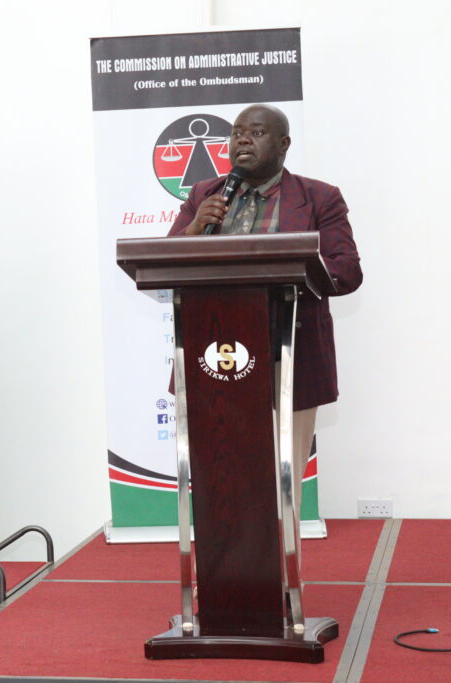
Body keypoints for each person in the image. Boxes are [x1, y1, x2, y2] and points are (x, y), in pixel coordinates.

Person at [167, 103, 363, 513]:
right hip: (212, 354)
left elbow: (346, 271)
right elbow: (163, 262)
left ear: (283, 143)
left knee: (281, 480)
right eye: (237, 133)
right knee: (219, 474)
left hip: (288, 350)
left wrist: (296, 265)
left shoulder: (318, 198)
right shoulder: (204, 194)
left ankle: (284, 553)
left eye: (255, 133)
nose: (242, 140)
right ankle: (223, 554)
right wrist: (194, 229)